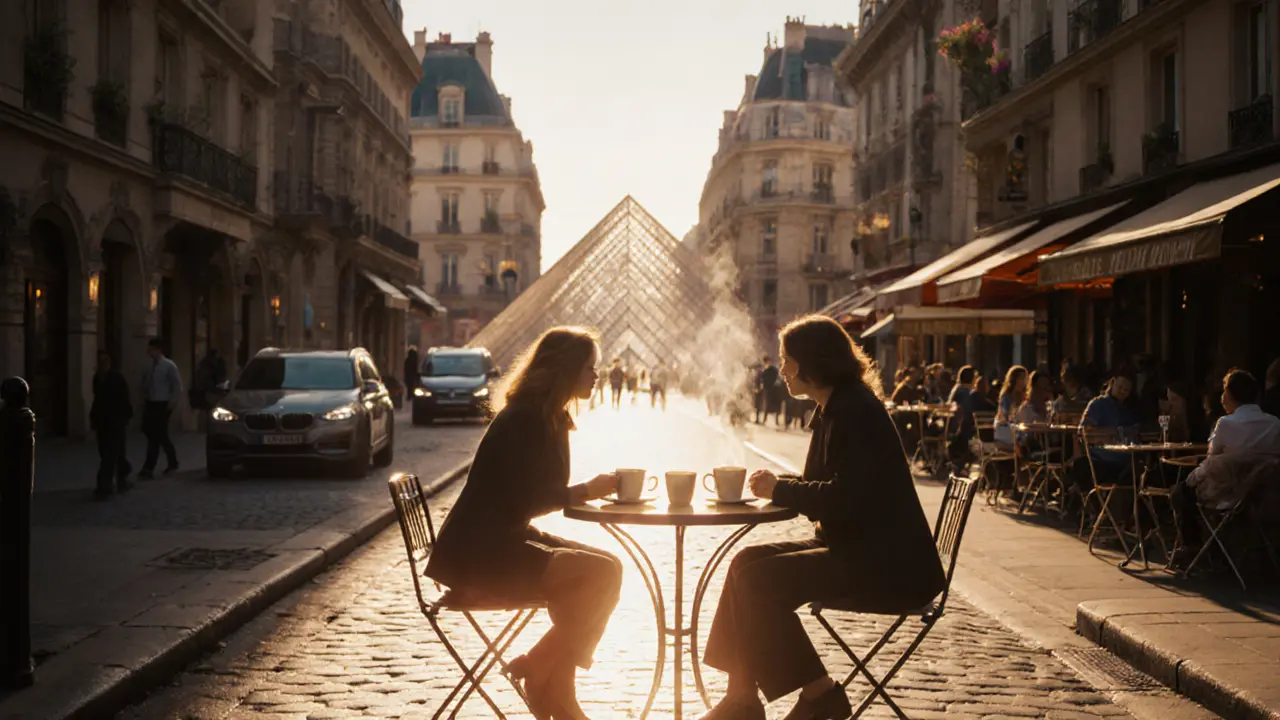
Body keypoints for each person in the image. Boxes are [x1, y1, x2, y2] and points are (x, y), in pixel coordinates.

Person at [700, 315, 945, 720]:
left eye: (787, 360)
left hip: (890, 566)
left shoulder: (854, 412)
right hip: (862, 546)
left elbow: (845, 498)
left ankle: (819, 693)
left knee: (759, 580)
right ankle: (742, 695)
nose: (781, 369)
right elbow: (827, 486)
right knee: (744, 562)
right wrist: (780, 484)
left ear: (812, 362)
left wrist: (780, 489)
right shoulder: (837, 406)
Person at [425, 327, 623, 719]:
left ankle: (545, 674)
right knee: (597, 575)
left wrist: (582, 490)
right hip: (480, 557)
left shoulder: (545, 415)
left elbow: (534, 497)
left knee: (610, 568)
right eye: (590, 367)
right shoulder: (526, 421)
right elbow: (529, 499)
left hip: (501, 541)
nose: (597, 375)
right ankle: (549, 684)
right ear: (566, 370)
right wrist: (587, 490)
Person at [1171, 369, 1280, 567]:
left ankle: (1193, 548)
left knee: (1180, 492)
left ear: (1229, 395)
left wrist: (1191, 479)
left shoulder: (1226, 424)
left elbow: (1212, 461)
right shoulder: (1274, 424)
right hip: (1261, 495)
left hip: (1225, 492)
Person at [90, 350, 133, 499]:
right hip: (102, 421)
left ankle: (104, 485)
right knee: (110, 452)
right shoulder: (97, 378)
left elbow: (124, 399)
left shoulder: (116, 378)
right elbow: (97, 400)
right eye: (101, 361)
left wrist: (125, 417)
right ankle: (123, 472)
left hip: (115, 420)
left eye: (105, 361)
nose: (103, 364)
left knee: (109, 455)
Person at [139, 338, 183, 478]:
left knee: (157, 434)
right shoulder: (148, 366)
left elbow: (177, 385)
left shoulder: (169, 366)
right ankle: (172, 461)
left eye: (151, 349)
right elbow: (144, 382)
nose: (149, 352)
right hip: (151, 402)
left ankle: (149, 467)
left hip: (163, 403)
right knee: (155, 433)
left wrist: (172, 402)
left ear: (158, 349)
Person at [946, 366, 979, 470]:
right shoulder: (966, 392)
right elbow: (968, 413)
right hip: (962, 428)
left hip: (954, 426)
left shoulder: (957, 389)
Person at [993, 366, 1029, 448]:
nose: (1024, 381)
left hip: (1021, 428)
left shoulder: (1025, 396)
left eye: (1026, 378)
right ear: (1014, 379)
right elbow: (1006, 417)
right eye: (1021, 378)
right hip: (1005, 429)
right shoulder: (1006, 396)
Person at [756, 357, 779, 424]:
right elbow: (761, 380)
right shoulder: (764, 370)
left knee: (770, 405)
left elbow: (776, 378)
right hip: (766, 389)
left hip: (772, 390)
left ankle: (771, 420)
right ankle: (763, 420)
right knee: (765, 405)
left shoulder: (773, 370)